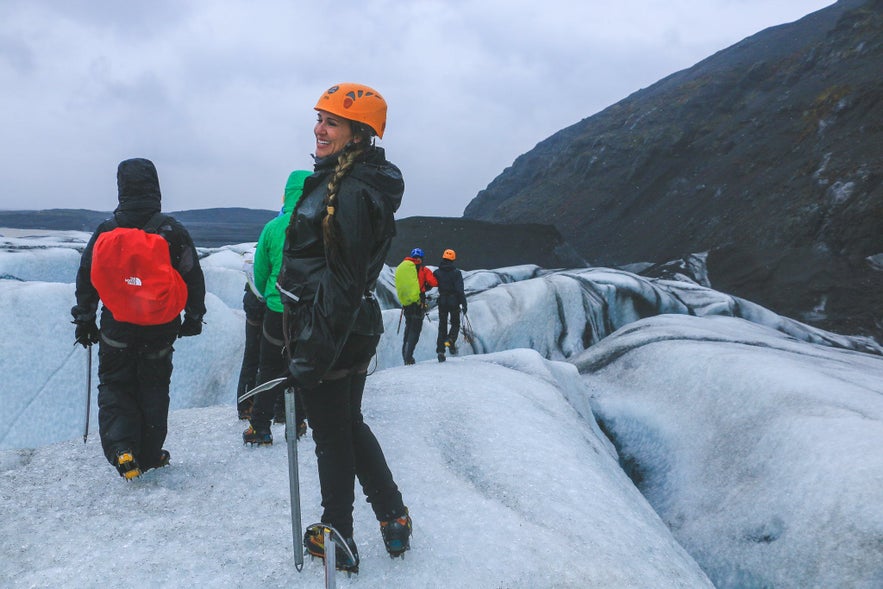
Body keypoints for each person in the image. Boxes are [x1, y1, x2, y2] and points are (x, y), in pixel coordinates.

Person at [275, 82, 412, 572]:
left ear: (359, 134)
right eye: (320, 117)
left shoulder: (351, 192)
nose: (320, 128)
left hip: (329, 331)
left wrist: (310, 354)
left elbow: (343, 281)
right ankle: (393, 516)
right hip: (345, 329)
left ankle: (338, 536)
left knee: (331, 435)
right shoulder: (352, 182)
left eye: (332, 122)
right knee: (347, 425)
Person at [71, 157, 206, 480]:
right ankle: (149, 454)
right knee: (154, 387)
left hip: (116, 328)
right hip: (160, 329)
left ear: (122, 188)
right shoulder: (172, 230)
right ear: (155, 187)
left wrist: (85, 319)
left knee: (116, 386)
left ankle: (122, 448)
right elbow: (193, 276)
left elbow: (86, 277)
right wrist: (194, 317)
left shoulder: (106, 230)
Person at [242, 169, 311, 445]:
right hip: (307, 312)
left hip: (276, 310)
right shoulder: (319, 225)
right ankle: (298, 422)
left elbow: (260, 272)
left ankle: (260, 427)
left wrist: (269, 295)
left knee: (268, 367)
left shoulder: (272, 227)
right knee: (302, 365)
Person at [235, 250, 265, 420]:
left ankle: (245, 405)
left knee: (251, 356)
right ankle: (279, 406)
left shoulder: (269, 234)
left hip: (254, 300)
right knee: (272, 359)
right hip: (271, 302)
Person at [394, 247, 437, 365]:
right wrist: (427, 286)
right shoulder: (424, 270)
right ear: (422, 258)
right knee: (415, 330)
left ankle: (405, 356)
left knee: (408, 329)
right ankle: (409, 357)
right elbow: (434, 282)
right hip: (419, 303)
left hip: (407, 304)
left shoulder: (406, 269)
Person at [432, 248, 467, 362]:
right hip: (454, 301)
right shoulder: (456, 273)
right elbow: (460, 290)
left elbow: (431, 284)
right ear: (453, 259)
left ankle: (441, 351)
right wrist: (464, 304)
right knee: (455, 323)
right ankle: (450, 340)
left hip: (442, 300)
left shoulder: (437, 272)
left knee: (442, 325)